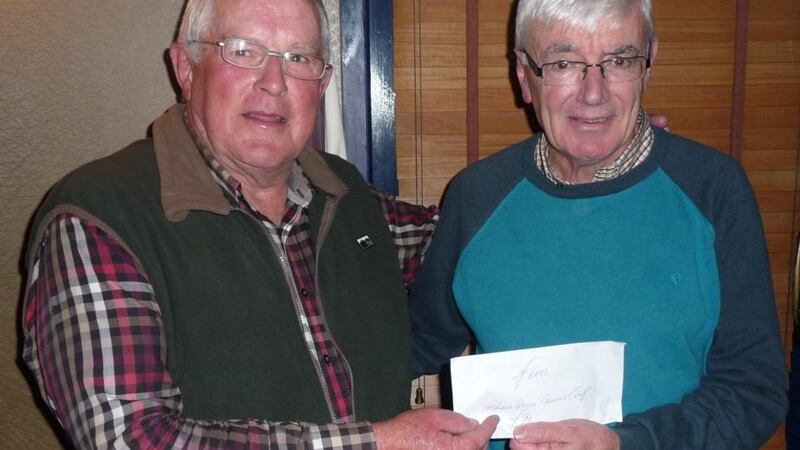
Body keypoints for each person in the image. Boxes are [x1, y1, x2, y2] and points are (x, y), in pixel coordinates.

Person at [20, 0, 500, 448]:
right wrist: (374, 442)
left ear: (324, 82)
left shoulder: (346, 196)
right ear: (185, 70)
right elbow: (132, 436)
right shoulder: (99, 218)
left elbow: (468, 239)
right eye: (243, 51)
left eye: (299, 58)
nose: (275, 81)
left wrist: (554, 162)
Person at [409, 0, 788, 448]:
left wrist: (627, 443)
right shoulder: (476, 196)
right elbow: (411, 350)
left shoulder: (713, 189)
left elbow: (754, 393)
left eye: (619, 61)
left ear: (647, 66)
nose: (594, 93)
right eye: (564, 63)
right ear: (524, 76)